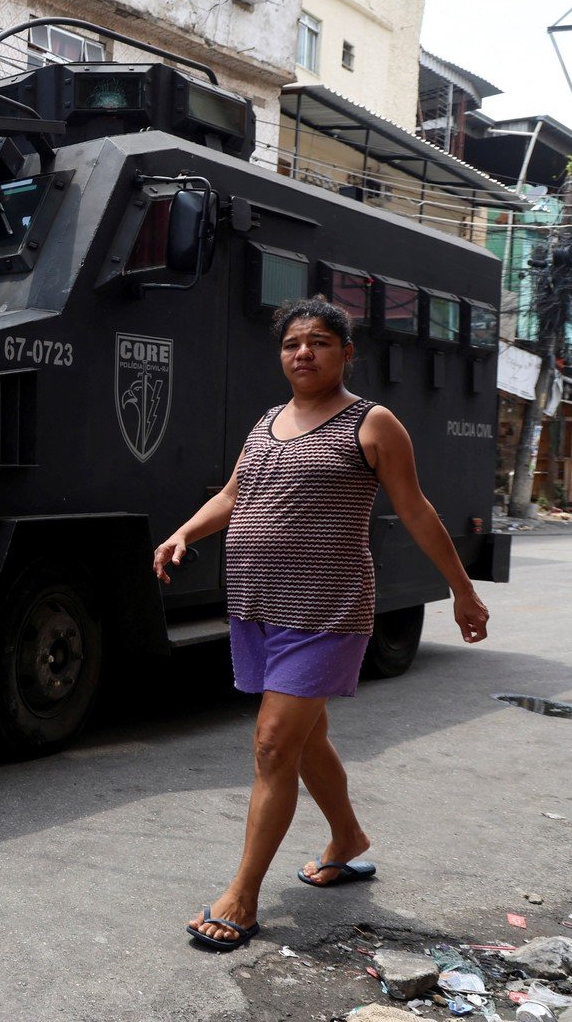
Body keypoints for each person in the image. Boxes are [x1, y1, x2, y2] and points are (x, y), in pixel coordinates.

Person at [151, 297, 490, 952]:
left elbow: (416, 511)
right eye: (291, 343)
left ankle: (241, 898)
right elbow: (233, 494)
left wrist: (462, 592)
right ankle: (347, 838)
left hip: (325, 610)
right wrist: (183, 532)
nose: (302, 352)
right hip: (256, 604)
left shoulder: (373, 423)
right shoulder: (265, 420)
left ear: (345, 353)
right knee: (304, 742)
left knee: (273, 745)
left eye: (319, 341)